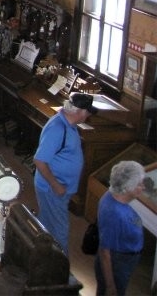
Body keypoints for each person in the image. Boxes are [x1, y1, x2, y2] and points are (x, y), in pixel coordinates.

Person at [33, 92, 98, 253]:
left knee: (47, 224)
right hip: (53, 189)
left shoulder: (68, 124)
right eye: (88, 112)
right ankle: (62, 272)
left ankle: (41, 259)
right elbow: (40, 160)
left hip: (58, 188)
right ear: (80, 111)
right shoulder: (57, 128)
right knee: (60, 230)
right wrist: (56, 185)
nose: (88, 116)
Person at [95, 160, 145, 296]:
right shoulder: (114, 214)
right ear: (128, 188)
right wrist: (111, 286)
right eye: (140, 184)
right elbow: (105, 253)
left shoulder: (111, 196)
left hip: (123, 260)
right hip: (118, 263)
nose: (143, 187)